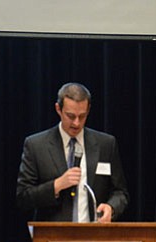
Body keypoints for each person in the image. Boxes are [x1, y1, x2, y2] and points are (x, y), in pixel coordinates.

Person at [16, 82, 129, 223]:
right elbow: (23, 197)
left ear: (88, 110)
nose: (76, 123)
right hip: (53, 238)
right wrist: (57, 185)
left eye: (82, 116)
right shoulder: (36, 145)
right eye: (70, 116)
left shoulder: (106, 144)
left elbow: (120, 193)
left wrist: (111, 208)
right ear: (58, 109)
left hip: (94, 237)